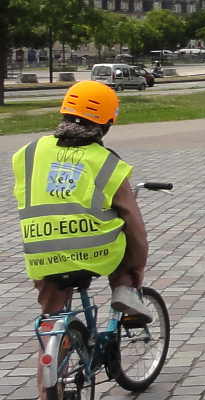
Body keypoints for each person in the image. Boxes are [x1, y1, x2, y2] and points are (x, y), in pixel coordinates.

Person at [13, 81, 154, 393]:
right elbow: (133, 223)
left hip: (41, 250)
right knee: (122, 232)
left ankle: (49, 382)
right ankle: (124, 292)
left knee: (52, 319)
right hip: (95, 253)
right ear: (107, 122)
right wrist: (137, 268)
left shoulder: (28, 153)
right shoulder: (107, 162)